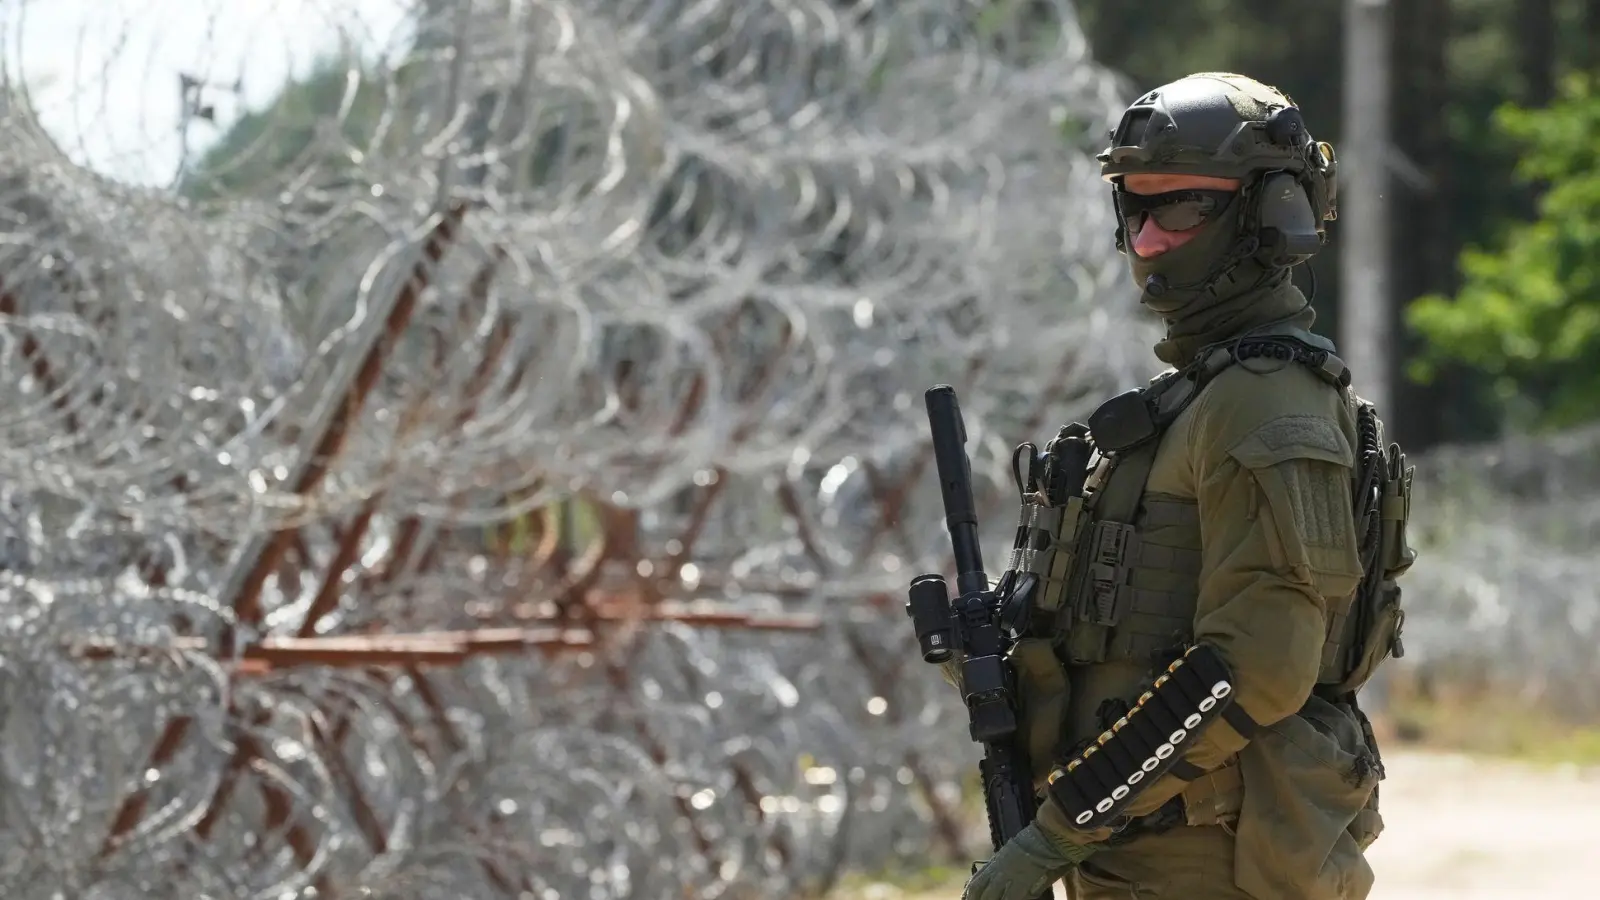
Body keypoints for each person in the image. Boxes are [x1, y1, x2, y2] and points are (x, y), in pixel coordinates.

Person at [952, 72, 1417, 900]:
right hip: (1148, 854)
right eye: (1133, 207)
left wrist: (1060, 830)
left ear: (1271, 213)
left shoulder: (1267, 402)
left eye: (1180, 207)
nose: (1149, 239)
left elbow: (1258, 668)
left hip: (1215, 865)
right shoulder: (1197, 398)